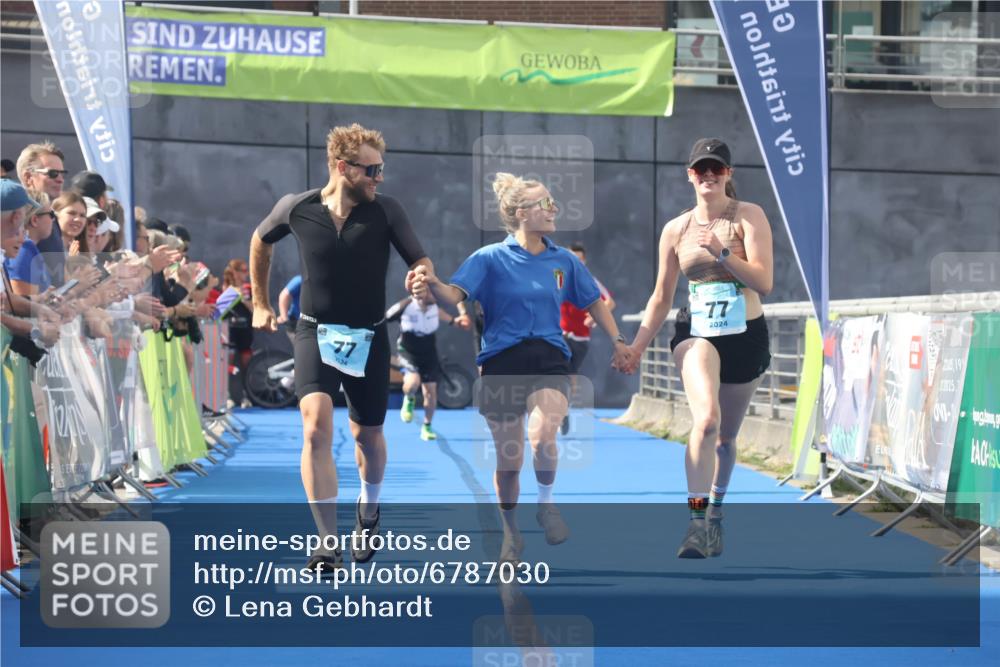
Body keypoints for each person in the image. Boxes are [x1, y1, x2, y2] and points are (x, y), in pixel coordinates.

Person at [408, 172, 632, 562]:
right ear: (520, 213)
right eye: (545, 204)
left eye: (552, 202)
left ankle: (546, 504)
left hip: (549, 358)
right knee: (508, 465)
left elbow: (594, 301)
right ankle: (511, 534)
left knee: (543, 436)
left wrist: (618, 341)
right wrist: (429, 284)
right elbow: (453, 294)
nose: (554, 209)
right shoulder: (489, 258)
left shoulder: (563, 259)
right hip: (500, 363)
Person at [250, 123, 430, 570]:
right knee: (314, 427)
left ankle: (368, 509)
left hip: (368, 335)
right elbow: (259, 241)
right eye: (371, 169)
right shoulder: (297, 208)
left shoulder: (386, 211)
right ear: (342, 167)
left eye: (381, 169)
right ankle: (327, 542)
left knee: (366, 436)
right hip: (314, 330)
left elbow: (419, 258)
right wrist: (259, 301)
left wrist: (421, 275)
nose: (379, 177)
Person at [623, 138, 773, 559]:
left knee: (725, 439)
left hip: (746, 333)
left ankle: (717, 515)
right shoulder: (676, 229)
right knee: (705, 421)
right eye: (700, 169)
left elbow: (764, 282)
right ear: (690, 174)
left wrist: (722, 252)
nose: (708, 175)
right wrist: (636, 348)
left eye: (716, 169)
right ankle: (695, 521)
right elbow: (660, 296)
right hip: (697, 331)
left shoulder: (748, 216)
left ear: (728, 174)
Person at [385, 289, 459, 442]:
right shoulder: (406, 306)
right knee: (412, 382)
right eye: (432, 293)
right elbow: (386, 317)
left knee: (431, 393)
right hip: (408, 351)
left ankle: (427, 426)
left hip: (429, 353)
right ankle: (409, 397)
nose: (436, 295)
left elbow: (445, 316)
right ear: (422, 294)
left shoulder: (434, 308)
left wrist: (456, 321)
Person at [559, 241, 615, 434]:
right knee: (557, 373)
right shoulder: (559, 277)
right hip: (559, 335)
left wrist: (593, 317)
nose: (577, 263)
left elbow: (609, 303)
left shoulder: (590, 280)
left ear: (585, 261)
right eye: (573, 259)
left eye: (580, 260)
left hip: (581, 338)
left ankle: (564, 410)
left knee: (571, 376)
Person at [16, 142, 67, 283]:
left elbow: (57, 279)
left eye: (62, 174)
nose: (60, 179)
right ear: (28, 178)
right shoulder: (15, 218)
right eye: (52, 173)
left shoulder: (53, 219)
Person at [222, 259, 255, 408]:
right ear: (234, 272)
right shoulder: (226, 287)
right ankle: (227, 396)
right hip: (229, 329)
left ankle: (245, 396)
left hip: (245, 329)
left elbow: (255, 309)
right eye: (243, 270)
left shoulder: (249, 288)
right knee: (227, 364)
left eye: (247, 270)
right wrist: (233, 295)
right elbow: (220, 309)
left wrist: (244, 298)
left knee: (246, 364)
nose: (246, 274)